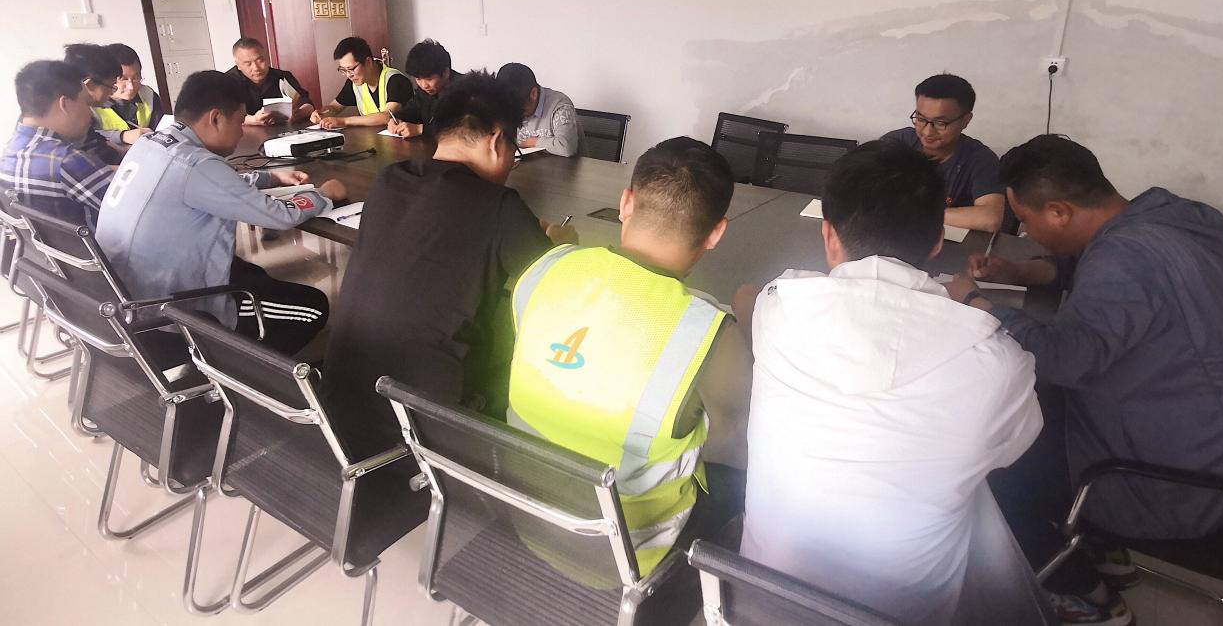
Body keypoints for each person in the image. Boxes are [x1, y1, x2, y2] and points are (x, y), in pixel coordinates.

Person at [947, 134, 1223, 626]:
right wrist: (1020, 270)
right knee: (1030, 410)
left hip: (1176, 485)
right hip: (1218, 446)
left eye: (1027, 221)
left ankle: (1085, 596)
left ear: (1059, 212)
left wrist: (977, 303)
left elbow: (1065, 359)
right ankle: (1101, 550)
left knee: (984, 464)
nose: (1026, 232)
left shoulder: (1124, 262)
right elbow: (1089, 265)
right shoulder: (1154, 222)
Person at [735, 139, 1041, 625]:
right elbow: (1010, 452)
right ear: (937, 241)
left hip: (759, 605)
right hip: (906, 615)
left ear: (829, 234)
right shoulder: (997, 363)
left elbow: (748, 298)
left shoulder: (781, 306)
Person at [506, 137, 751, 574]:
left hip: (523, 510)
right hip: (626, 556)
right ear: (717, 233)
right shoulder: (711, 334)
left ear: (625, 204)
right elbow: (732, 442)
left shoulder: (544, 269)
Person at [322, 71, 576, 458]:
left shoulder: (390, 180)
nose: (511, 162)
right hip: (428, 425)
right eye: (514, 150)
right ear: (496, 140)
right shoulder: (498, 206)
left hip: (343, 407)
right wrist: (562, 240)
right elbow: (555, 283)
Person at [97, 70, 345, 355]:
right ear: (215, 118)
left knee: (254, 274)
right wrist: (323, 194)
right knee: (312, 308)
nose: (241, 132)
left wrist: (272, 178)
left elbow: (210, 183)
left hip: (128, 295)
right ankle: (235, 367)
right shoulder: (197, 165)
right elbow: (279, 215)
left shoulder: (153, 144)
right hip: (171, 314)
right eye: (239, 122)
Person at [883, 73, 1004, 232]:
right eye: (921, 119)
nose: (927, 131)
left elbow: (990, 218)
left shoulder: (980, 159)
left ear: (966, 120)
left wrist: (916, 214)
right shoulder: (896, 143)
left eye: (940, 123)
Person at [1, 60, 115, 228]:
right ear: (65, 104)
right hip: (101, 244)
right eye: (86, 103)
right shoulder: (67, 162)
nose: (90, 114)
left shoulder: (9, 151)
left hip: (42, 245)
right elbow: (135, 212)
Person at [64, 43, 147, 163]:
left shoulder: (79, 116)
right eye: (112, 86)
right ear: (89, 85)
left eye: (136, 77)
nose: (112, 92)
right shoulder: (73, 123)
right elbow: (95, 164)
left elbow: (101, 147)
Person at [311, 36, 412, 129]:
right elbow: (334, 107)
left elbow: (386, 116)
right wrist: (322, 113)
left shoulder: (395, 80)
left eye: (351, 69)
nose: (348, 75)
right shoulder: (354, 82)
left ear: (368, 62)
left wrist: (344, 121)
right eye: (343, 70)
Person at [495, 62, 585, 157]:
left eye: (518, 109)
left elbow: (566, 147)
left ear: (533, 94)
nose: (513, 114)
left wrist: (531, 142)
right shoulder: (505, 105)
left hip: (567, 165)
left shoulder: (560, 105)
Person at [226, 37, 315, 125]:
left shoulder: (282, 77)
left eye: (260, 60)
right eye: (248, 64)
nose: (256, 68)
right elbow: (226, 116)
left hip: (284, 129)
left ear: (267, 58)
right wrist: (253, 120)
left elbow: (306, 103)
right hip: (243, 132)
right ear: (238, 65)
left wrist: (300, 113)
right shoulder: (228, 82)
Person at [388, 38, 461, 138]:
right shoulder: (425, 91)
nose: (424, 85)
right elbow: (412, 110)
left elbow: (460, 129)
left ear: (445, 73)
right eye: (418, 78)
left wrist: (420, 129)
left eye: (429, 78)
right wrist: (397, 119)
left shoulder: (466, 91)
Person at [98, 43, 163, 134]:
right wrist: (123, 137)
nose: (131, 86)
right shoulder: (90, 106)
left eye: (136, 78)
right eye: (122, 79)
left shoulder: (149, 95)